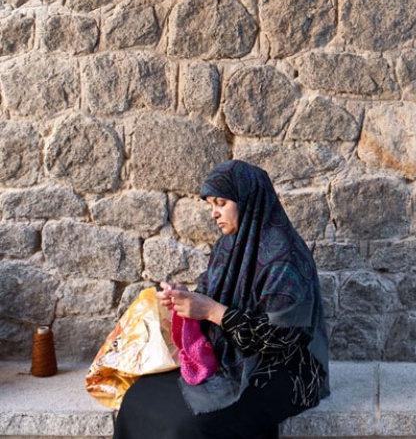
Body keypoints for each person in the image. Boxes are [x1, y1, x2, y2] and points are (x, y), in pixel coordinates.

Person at [113, 160, 330, 439]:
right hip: (229, 357)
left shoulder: (285, 257)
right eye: (210, 205)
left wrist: (212, 311)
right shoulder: (230, 244)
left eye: (221, 203)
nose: (214, 213)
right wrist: (185, 297)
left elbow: (283, 339)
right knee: (137, 397)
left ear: (247, 200)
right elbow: (210, 290)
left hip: (280, 374)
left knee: (191, 424)